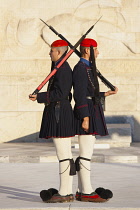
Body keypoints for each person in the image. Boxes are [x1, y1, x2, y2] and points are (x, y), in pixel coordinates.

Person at [29, 40, 76, 203]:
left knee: (63, 155)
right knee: (66, 155)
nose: (49, 53)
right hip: (58, 111)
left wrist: (40, 96)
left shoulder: (63, 69)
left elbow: (61, 93)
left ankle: (64, 192)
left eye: (52, 51)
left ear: (60, 52)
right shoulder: (58, 67)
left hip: (59, 112)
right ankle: (68, 191)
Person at [73, 38, 118, 202]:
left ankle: (80, 191)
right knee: (85, 154)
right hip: (87, 114)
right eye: (96, 49)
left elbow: (89, 93)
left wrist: (106, 94)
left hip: (91, 110)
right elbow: (79, 95)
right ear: (87, 50)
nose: (98, 52)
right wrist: (85, 118)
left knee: (87, 153)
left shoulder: (87, 67)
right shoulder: (80, 68)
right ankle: (86, 191)